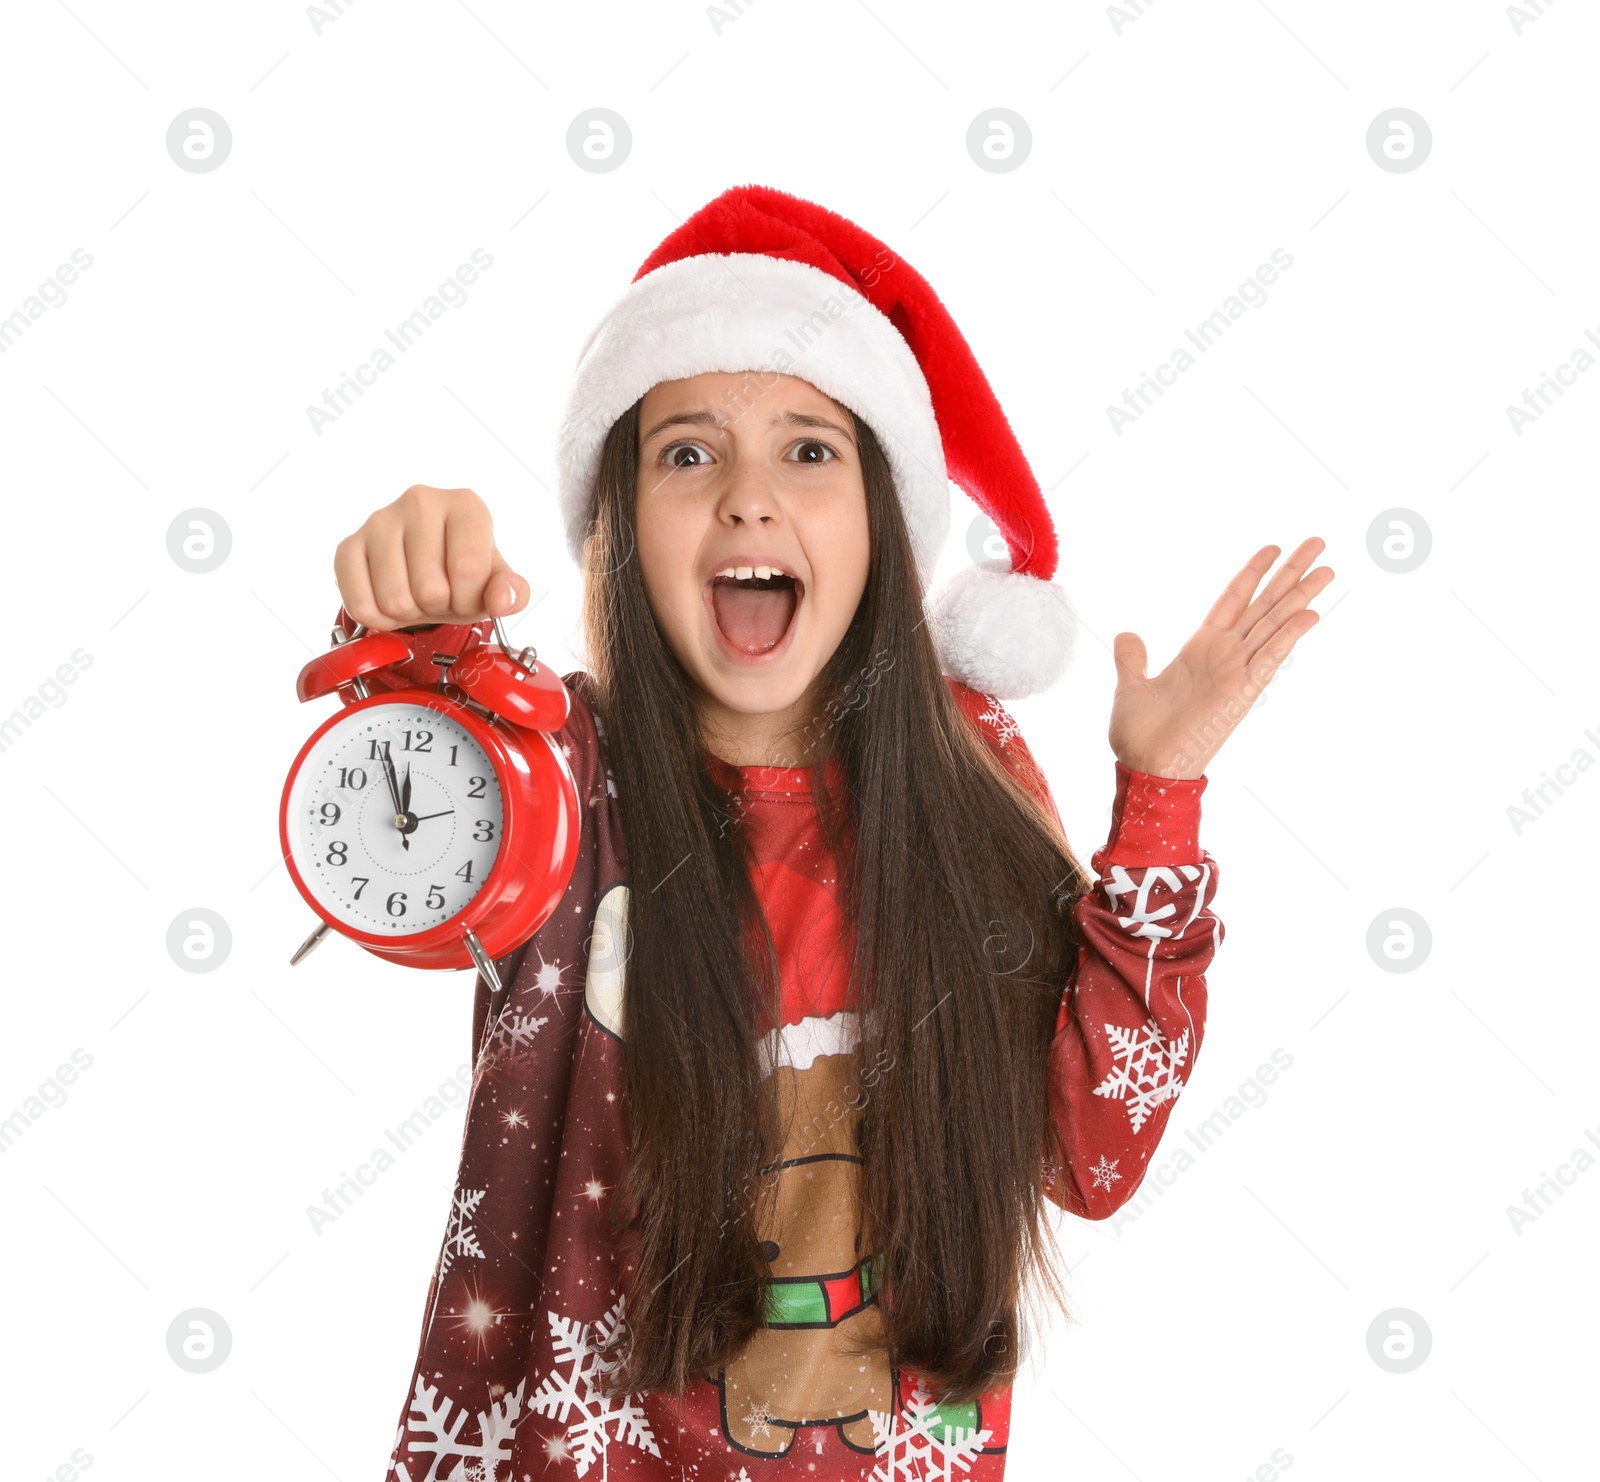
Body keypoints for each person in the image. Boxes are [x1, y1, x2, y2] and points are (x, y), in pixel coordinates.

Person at [327, 186, 1331, 1480]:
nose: (751, 498)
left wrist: (1160, 793)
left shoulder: (970, 769)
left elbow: (1095, 1152)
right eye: (689, 452)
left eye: (811, 449)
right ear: (620, 522)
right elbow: (400, 826)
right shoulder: (559, 774)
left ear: (881, 522)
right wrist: (415, 633)